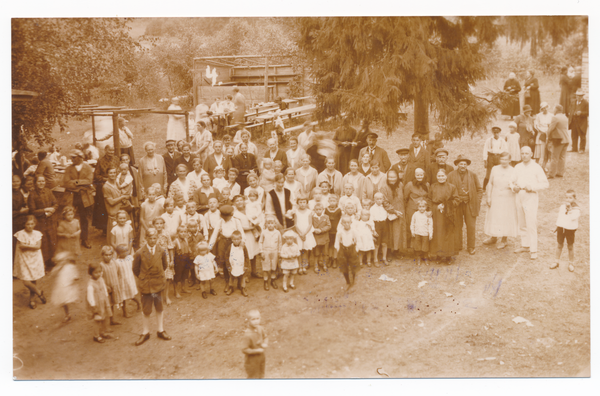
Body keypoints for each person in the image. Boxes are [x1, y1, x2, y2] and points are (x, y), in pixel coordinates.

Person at [132, 227, 172, 346]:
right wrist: (144, 278)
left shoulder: (162, 250)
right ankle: (145, 332)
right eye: (150, 238)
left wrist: (157, 276)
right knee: (146, 309)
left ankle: (160, 330)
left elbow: (164, 265)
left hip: (158, 284)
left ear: (157, 238)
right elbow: (135, 269)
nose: (153, 240)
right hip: (146, 285)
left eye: (155, 238)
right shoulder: (139, 252)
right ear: (146, 238)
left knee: (159, 307)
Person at [512, 146, 549, 260]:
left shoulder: (536, 167)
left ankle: (533, 250)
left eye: (527, 153)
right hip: (519, 196)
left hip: (530, 197)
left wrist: (532, 187)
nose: (524, 155)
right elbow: (511, 182)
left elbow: (545, 184)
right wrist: (514, 187)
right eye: (522, 153)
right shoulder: (517, 167)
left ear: (531, 154)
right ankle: (525, 245)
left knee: (531, 224)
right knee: (522, 223)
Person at [482, 152, 518, 250]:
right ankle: (493, 237)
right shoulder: (495, 169)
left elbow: (516, 185)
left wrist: (514, 187)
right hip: (496, 196)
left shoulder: (514, 170)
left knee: (505, 217)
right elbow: (490, 183)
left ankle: (504, 240)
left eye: (506, 159)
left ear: (510, 160)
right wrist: (488, 197)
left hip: (508, 197)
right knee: (495, 216)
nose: (504, 161)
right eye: (502, 159)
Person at [447, 155, 482, 255]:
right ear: (457, 164)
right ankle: (458, 245)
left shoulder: (473, 175)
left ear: (467, 165)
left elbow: (479, 189)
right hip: (456, 205)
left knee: (471, 225)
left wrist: (477, 200)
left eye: (465, 164)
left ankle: (471, 247)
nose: (463, 166)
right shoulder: (450, 175)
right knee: (457, 225)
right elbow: (447, 189)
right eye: (461, 164)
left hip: (469, 204)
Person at [63, 149, 94, 249]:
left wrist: (76, 182)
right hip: (72, 196)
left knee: (84, 218)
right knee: (68, 216)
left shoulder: (87, 167)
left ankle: (84, 239)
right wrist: (81, 184)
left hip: (84, 197)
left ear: (80, 158)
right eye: (71, 157)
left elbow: (89, 180)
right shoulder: (68, 169)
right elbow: (66, 183)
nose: (72, 159)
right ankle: (68, 239)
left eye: (74, 157)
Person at [14, 215, 47, 309]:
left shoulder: (37, 234)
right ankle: (39, 292)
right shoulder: (20, 234)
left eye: (32, 224)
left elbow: (38, 246)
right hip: (24, 259)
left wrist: (27, 246)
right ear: (24, 224)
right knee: (26, 281)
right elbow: (21, 246)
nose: (30, 226)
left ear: (35, 224)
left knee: (34, 279)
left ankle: (31, 300)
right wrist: (32, 246)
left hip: (35, 258)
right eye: (28, 224)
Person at [428, 169, 460, 261]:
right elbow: (429, 199)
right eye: (439, 176)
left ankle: (448, 256)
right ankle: (438, 255)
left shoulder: (452, 187)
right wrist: (431, 209)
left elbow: (457, 200)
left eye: (442, 176)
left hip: (448, 213)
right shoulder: (433, 186)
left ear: (446, 177)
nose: (441, 178)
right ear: (436, 177)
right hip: (436, 212)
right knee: (438, 233)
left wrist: (446, 205)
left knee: (448, 232)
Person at [28, 175, 59, 266]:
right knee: (44, 243)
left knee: (51, 241)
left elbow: (55, 203)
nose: (41, 183)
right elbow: (32, 210)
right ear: (35, 183)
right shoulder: (32, 195)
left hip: (51, 220)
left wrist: (52, 209)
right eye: (39, 181)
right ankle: (43, 263)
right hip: (40, 222)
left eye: (43, 181)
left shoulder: (48, 191)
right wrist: (45, 211)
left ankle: (50, 260)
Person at [550, 189, 580, 272]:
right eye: (566, 197)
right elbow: (560, 217)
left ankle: (571, 263)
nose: (568, 199)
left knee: (570, 246)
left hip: (570, 229)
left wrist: (570, 210)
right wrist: (557, 226)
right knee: (559, 245)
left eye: (570, 198)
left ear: (574, 198)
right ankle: (556, 261)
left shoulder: (576, 209)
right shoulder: (562, 207)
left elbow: (573, 217)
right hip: (561, 228)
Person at [93, 145, 119, 235]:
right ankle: (105, 229)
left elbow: (118, 172)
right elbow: (96, 176)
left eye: (113, 151)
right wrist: (106, 179)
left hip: (115, 185)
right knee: (104, 209)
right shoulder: (100, 161)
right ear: (105, 150)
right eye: (109, 151)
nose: (111, 152)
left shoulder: (116, 159)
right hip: (103, 187)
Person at [380, 169, 406, 258]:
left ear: (397, 177)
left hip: (400, 211)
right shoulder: (384, 187)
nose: (392, 179)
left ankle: (396, 250)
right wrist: (394, 211)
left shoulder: (400, 185)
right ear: (387, 177)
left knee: (398, 232)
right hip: (389, 212)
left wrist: (400, 211)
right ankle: (388, 251)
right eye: (390, 177)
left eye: (394, 177)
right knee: (389, 231)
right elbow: (385, 202)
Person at [403, 168, 430, 250]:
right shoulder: (410, 185)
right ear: (415, 175)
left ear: (423, 175)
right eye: (417, 175)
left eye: (421, 174)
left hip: (423, 209)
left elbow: (429, 197)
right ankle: (410, 247)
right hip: (412, 209)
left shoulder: (427, 184)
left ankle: (422, 248)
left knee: (422, 227)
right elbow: (405, 197)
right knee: (411, 226)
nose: (419, 176)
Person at [86, 262, 112, 343]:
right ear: (91, 273)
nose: (98, 274)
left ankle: (103, 332)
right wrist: (93, 306)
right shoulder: (90, 285)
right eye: (96, 272)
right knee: (98, 320)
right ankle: (96, 336)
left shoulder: (101, 279)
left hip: (103, 302)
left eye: (100, 272)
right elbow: (89, 296)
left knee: (104, 318)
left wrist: (106, 297)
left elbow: (104, 288)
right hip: (96, 305)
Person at [103, 167, 130, 244]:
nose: (113, 175)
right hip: (113, 214)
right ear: (107, 174)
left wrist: (123, 198)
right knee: (115, 238)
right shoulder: (106, 187)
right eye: (111, 173)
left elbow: (119, 193)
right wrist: (122, 197)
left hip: (120, 212)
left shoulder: (116, 183)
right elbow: (111, 202)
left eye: (114, 173)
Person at [50, 252, 79, 323]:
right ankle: (67, 314)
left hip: (69, 287)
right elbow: (52, 274)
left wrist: (73, 281)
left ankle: (70, 309)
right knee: (64, 301)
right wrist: (57, 268)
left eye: (63, 261)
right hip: (62, 288)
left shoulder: (70, 267)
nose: (61, 263)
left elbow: (76, 276)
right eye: (59, 261)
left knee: (70, 298)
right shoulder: (57, 268)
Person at [114, 244, 141, 317]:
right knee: (123, 297)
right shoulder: (117, 262)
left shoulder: (129, 258)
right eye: (124, 251)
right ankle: (125, 312)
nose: (127, 252)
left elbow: (135, 264)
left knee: (132, 294)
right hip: (122, 282)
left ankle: (139, 304)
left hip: (130, 280)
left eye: (127, 250)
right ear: (119, 253)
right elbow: (116, 272)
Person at [335, 215, 361, 290]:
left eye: (348, 222)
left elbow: (359, 241)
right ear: (342, 223)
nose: (346, 224)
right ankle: (347, 281)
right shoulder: (340, 232)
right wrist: (338, 250)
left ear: (351, 222)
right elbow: (336, 242)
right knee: (343, 265)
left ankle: (353, 280)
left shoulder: (354, 231)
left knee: (353, 264)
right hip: (343, 249)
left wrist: (356, 249)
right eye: (344, 222)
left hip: (352, 249)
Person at [99, 245, 123, 324]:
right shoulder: (101, 265)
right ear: (102, 255)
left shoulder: (114, 263)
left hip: (114, 286)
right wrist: (105, 286)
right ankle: (105, 322)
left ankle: (111, 320)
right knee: (107, 305)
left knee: (112, 303)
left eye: (110, 255)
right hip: (106, 288)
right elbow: (100, 278)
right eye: (106, 255)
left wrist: (117, 283)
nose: (108, 257)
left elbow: (118, 273)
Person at [293, 195, 316, 274]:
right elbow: (295, 224)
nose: (302, 204)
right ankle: (299, 266)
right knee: (299, 249)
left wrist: (305, 233)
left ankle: (304, 265)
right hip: (298, 233)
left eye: (304, 202)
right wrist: (300, 233)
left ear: (307, 203)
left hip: (307, 233)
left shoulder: (309, 212)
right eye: (300, 202)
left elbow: (310, 224)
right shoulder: (296, 212)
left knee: (305, 250)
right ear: (298, 203)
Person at [242, 309, 268, 379]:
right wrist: (257, 351)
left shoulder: (260, 328)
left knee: (261, 375)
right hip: (252, 361)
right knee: (253, 377)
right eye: (253, 319)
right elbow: (244, 349)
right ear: (249, 321)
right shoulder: (247, 334)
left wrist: (265, 343)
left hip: (261, 358)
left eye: (257, 318)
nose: (256, 321)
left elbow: (265, 337)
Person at [547, 104, 570, 179]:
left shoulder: (555, 117)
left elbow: (551, 129)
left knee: (554, 157)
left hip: (558, 139)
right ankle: (560, 172)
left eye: (554, 109)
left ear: (556, 110)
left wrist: (547, 135)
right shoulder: (565, 117)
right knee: (562, 157)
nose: (553, 110)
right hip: (566, 139)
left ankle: (551, 174)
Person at [482, 126, 508, 191]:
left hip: (499, 157)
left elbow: (506, 150)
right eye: (494, 132)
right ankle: (484, 188)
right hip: (491, 157)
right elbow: (485, 150)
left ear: (500, 133)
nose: (496, 134)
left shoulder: (502, 140)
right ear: (492, 133)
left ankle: (499, 187)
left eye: (497, 132)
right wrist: (485, 160)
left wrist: (504, 158)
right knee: (489, 173)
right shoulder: (489, 140)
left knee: (499, 171)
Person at [411, 199, 433, 266]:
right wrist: (412, 231)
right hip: (417, 233)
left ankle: (425, 258)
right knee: (417, 247)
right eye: (420, 207)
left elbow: (430, 224)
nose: (421, 208)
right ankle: (418, 258)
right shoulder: (415, 214)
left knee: (425, 247)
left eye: (423, 207)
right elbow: (412, 223)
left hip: (425, 233)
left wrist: (430, 233)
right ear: (418, 207)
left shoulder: (427, 214)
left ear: (425, 207)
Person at [370, 192, 389, 266]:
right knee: (376, 244)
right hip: (376, 225)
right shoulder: (372, 208)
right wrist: (373, 230)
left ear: (383, 199)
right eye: (377, 199)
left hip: (384, 224)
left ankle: (384, 258)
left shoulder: (385, 207)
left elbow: (389, 215)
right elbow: (371, 220)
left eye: (380, 199)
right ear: (374, 199)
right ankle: (375, 259)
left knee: (384, 242)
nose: (379, 201)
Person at [533, 102, 553, 167]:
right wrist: (541, 131)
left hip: (548, 134)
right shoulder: (538, 115)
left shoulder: (551, 116)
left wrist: (548, 131)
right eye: (543, 108)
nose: (545, 109)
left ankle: (544, 166)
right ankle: (536, 165)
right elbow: (536, 125)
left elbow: (552, 125)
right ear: (541, 109)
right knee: (538, 151)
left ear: (548, 108)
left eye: (546, 108)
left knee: (546, 151)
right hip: (541, 134)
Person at [569, 88, 588, 154]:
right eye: (577, 95)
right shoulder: (573, 102)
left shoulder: (586, 103)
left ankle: (582, 149)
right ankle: (574, 148)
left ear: (582, 96)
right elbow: (571, 110)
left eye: (580, 96)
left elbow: (588, 112)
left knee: (582, 135)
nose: (578, 97)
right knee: (574, 135)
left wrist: (581, 113)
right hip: (574, 121)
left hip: (582, 122)